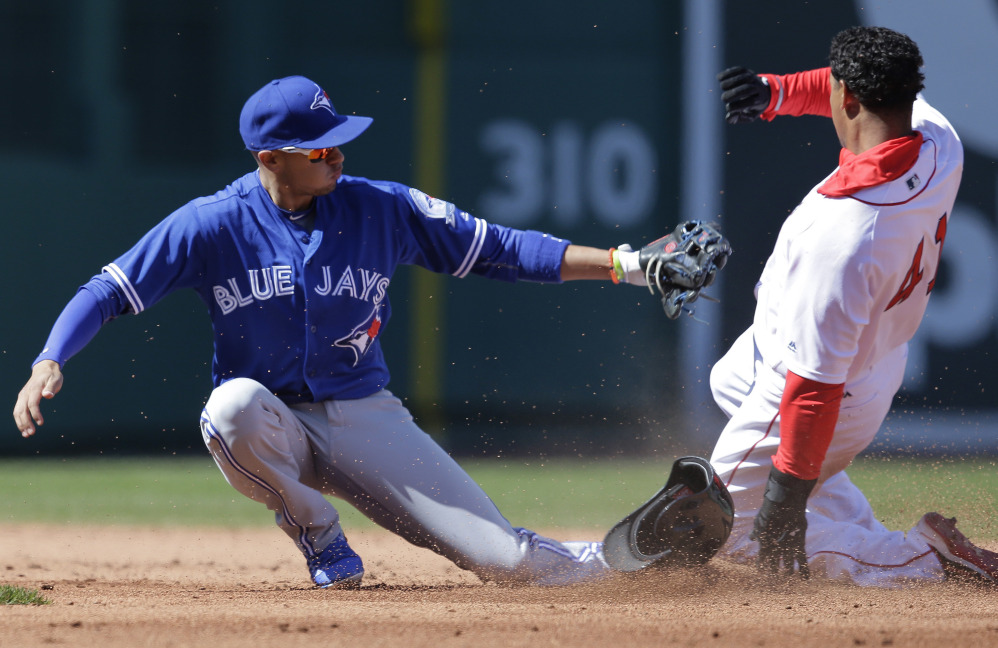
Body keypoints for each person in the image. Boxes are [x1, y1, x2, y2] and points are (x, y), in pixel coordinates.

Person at [13, 75, 729, 588]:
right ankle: (317, 531)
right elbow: (108, 289)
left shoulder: (383, 208)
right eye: (320, 148)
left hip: (362, 415)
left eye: (338, 141)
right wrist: (51, 358)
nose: (338, 154)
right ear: (271, 158)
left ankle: (642, 555)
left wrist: (626, 265)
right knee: (229, 409)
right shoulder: (213, 222)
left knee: (505, 563)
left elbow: (506, 249)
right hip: (271, 423)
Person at [711, 25, 998, 587]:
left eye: (836, 88)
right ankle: (860, 526)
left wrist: (786, 503)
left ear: (848, 98)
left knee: (722, 533)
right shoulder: (940, 140)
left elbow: (811, 388)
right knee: (728, 381)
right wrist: (777, 92)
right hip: (869, 355)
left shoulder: (848, 234)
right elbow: (851, 89)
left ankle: (921, 561)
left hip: (825, 388)